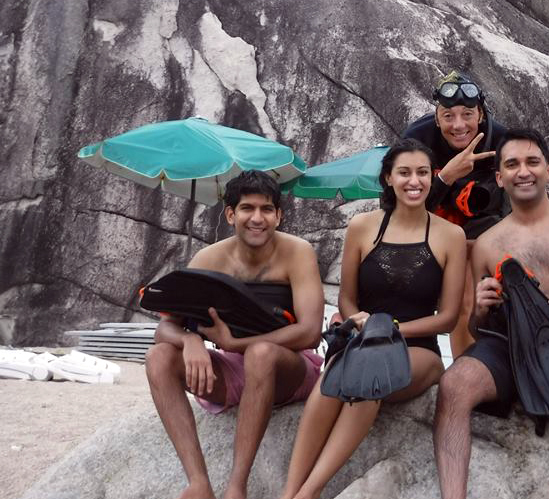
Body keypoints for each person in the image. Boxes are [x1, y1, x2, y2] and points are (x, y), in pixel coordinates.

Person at [434, 128, 549, 499]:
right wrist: (481, 310)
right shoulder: (487, 243)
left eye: (532, 162)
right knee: (454, 386)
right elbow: (476, 328)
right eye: (512, 164)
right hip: (506, 346)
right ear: (499, 177)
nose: (523, 171)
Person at [278, 139, 467, 499]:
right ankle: (289, 492)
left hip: (418, 349)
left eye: (423, 173)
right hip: (362, 341)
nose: (415, 181)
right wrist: (360, 321)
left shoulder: (451, 235)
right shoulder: (362, 226)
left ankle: (308, 493)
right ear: (389, 178)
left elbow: (447, 318)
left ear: (433, 177)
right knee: (331, 381)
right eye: (405, 173)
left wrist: (390, 329)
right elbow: (347, 298)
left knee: (369, 378)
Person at [145, 171, 325, 499]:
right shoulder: (209, 259)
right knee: (159, 357)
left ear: (278, 215)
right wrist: (190, 340)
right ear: (230, 214)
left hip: (288, 369)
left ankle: (236, 488)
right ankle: (199, 483)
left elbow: (311, 332)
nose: (257, 218)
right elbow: (164, 329)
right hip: (234, 371)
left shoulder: (297, 252)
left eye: (266, 209)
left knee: (260, 353)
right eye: (247, 208)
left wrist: (235, 344)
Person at [403, 70, 508, 357]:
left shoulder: (501, 141)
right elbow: (399, 209)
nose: (458, 125)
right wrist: (445, 178)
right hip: (426, 230)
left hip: (483, 233)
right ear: (437, 119)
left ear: (481, 114)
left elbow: (513, 206)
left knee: (471, 300)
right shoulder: (416, 140)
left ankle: (475, 364)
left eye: (467, 114)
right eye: (448, 116)